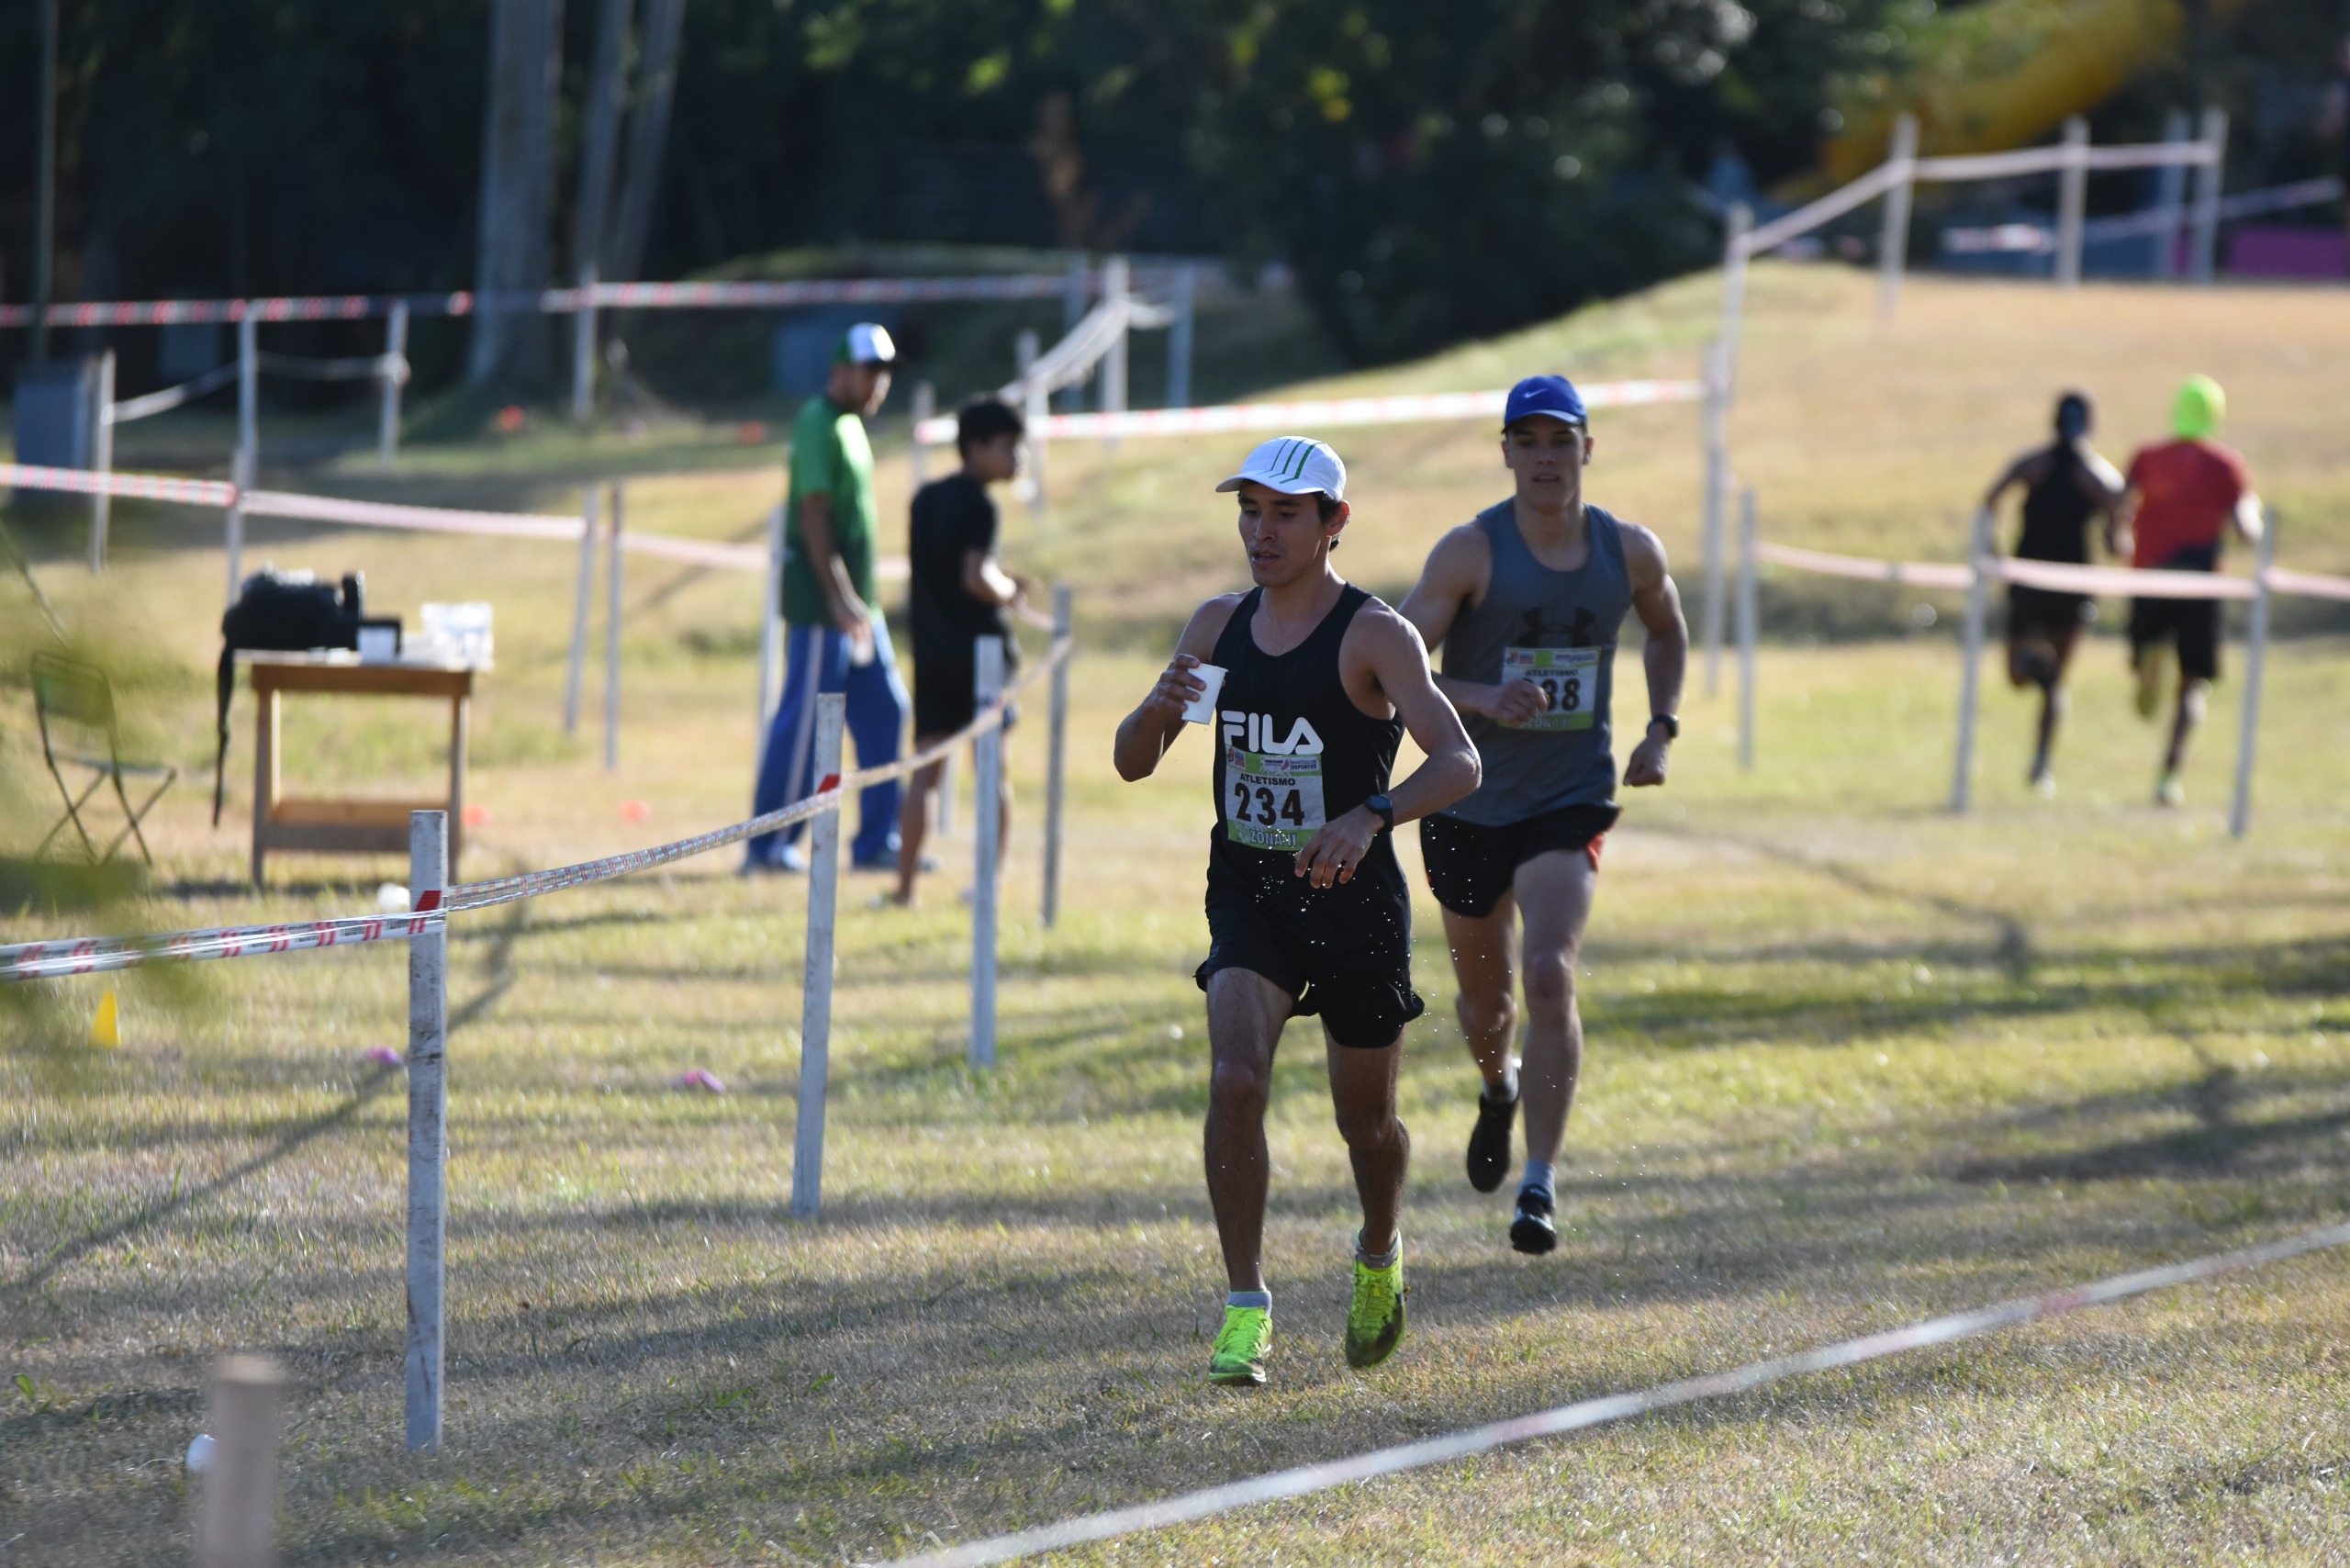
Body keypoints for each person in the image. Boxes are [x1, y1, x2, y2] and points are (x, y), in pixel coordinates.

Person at [1113, 436, 1480, 1388]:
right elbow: (1131, 759)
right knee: (1235, 1078)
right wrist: (1156, 707)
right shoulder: (1216, 623)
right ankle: (1245, 1305)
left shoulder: (1375, 635)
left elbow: (1458, 761)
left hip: (1354, 901)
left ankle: (1378, 1251)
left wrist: (1372, 813)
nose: (1260, 531)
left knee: (1366, 1123)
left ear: (1332, 524)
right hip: (1251, 893)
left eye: (1284, 513)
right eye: (1249, 511)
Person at [1395, 375, 1687, 1258]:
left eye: (1561, 441)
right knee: (1487, 1005)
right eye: (1529, 443)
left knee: (1552, 972)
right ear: (1508, 454)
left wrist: (1660, 731)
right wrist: (1483, 694)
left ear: (1587, 450)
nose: (1546, 459)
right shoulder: (1468, 553)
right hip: (1468, 799)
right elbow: (1391, 672)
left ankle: (1539, 1183)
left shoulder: (1628, 550)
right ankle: (1498, 1086)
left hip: (1570, 795)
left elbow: (1667, 630)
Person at [745, 323, 910, 872]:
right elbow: (813, 515)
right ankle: (768, 846)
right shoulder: (817, 421)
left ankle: (877, 843)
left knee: (887, 709)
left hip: (862, 610)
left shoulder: (854, 426)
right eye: (870, 371)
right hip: (826, 610)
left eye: (885, 373)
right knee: (805, 726)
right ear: (840, 369)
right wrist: (839, 597)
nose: (878, 383)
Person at [894, 398, 1035, 906]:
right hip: (980, 657)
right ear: (975, 448)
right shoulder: (980, 504)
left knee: (923, 776)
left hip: (932, 653)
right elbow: (976, 577)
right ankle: (989, 885)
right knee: (992, 771)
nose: (1016, 458)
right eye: (1008, 447)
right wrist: (1010, 590)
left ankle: (904, 888)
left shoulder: (925, 498)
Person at [2118, 375, 2263, 808]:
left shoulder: (2146, 457)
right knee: (2194, 685)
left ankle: (2149, 657)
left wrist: (2119, 535)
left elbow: (2120, 509)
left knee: (2150, 651)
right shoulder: (2226, 466)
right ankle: (2169, 775)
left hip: (2151, 577)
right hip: (2200, 582)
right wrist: (2250, 522)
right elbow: (2246, 527)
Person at [1980, 391, 2126, 794]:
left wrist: (1994, 548)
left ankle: (2042, 763)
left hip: (2044, 583)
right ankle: (2043, 758)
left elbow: (1991, 500)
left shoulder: (2037, 465)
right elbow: (2119, 531)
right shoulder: (2094, 475)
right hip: (2050, 584)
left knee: (2024, 675)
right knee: (2047, 680)